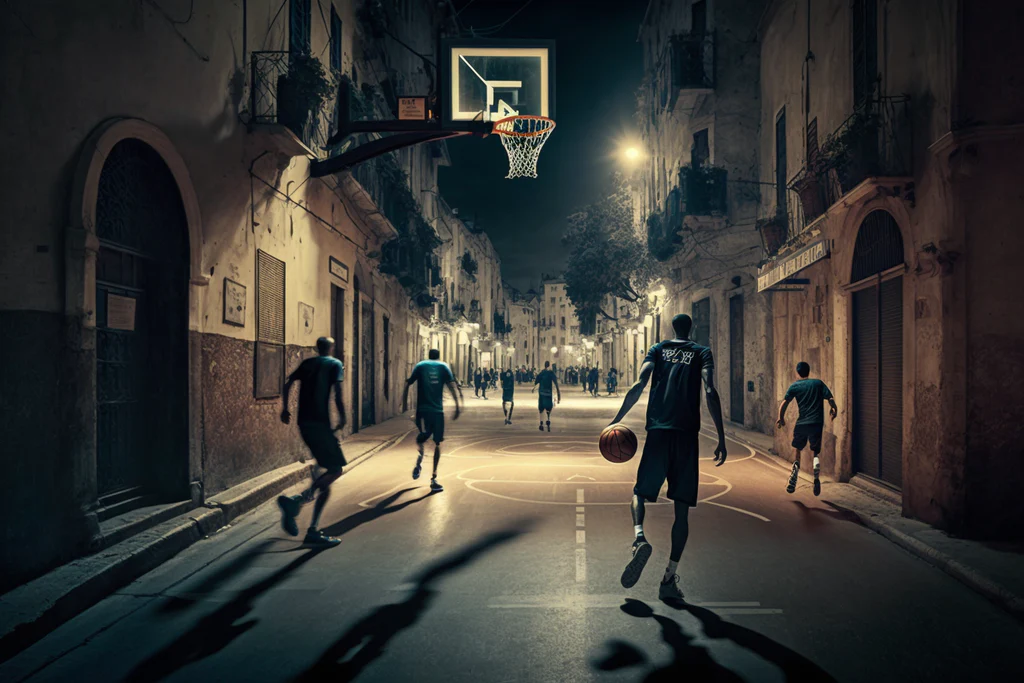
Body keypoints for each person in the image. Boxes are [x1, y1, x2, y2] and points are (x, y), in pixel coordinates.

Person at [609, 314, 727, 602]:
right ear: (693, 328)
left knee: (638, 492)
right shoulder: (702, 352)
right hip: (686, 436)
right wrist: (722, 437)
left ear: (671, 328)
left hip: (658, 432)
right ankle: (667, 579)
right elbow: (710, 390)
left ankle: (639, 537)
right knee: (682, 510)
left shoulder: (657, 349)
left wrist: (616, 419)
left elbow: (639, 384)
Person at [277, 337, 347, 547]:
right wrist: (343, 417)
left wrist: (285, 409)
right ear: (331, 348)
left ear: (317, 347)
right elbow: (338, 394)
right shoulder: (334, 364)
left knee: (324, 473)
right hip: (320, 424)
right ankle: (297, 501)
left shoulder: (307, 363)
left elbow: (288, 382)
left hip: (304, 425)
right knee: (335, 470)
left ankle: (313, 530)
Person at [403, 348, 461, 493]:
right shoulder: (443, 367)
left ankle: (420, 459)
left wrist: (404, 404)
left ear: (428, 356)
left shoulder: (420, 366)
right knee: (437, 443)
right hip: (437, 412)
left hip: (422, 411)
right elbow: (451, 386)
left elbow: (408, 383)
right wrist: (457, 406)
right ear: (438, 356)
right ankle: (434, 478)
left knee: (421, 437)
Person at [777, 361, 838, 496]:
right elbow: (831, 399)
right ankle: (816, 474)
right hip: (816, 423)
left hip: (802, 423)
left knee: (798, 448)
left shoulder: (795, 386)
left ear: (797, 372)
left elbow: (784, 404)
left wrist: (781, 418)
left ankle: (795, 468)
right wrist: (834, 409)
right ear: (809, 371)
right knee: (815, 451)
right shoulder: (818, 384)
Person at [532, 360, 561, 432]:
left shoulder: (541, 373)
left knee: (541, 409)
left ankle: (541, 423)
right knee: (549, 407)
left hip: (541, 392)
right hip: (548, 393)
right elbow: (556, 383)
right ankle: (548, 420)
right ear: (549, 365)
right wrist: (558, 394)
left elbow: (536, 382)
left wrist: (533, 388)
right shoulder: (551, 373)